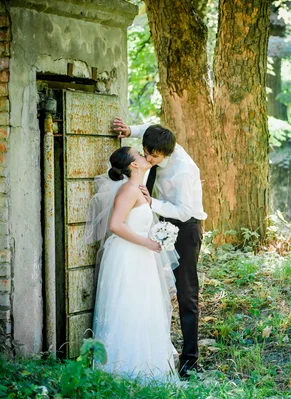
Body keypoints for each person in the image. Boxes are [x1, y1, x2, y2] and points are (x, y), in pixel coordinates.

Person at [114, 118, 206, 378]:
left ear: (166, 153)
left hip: (185, 226)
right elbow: (152, 129)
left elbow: (185, 210)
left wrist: (151, 203)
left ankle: (189, 360)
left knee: (186, 292)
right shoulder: (157, 143)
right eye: (145, 153)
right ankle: (150, 347)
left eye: (152, 157)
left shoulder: (184, 170)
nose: (147, 159)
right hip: (155, 217)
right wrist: (131, 130)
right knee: (151, 284)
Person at [85, 146, 178, 382]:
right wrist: (147, 242)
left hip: (141, 254)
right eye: (139, 153)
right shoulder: (128, 190)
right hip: (128, 255)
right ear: (133, 165)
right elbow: (115, 225)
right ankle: (124, 367)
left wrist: (156, 237)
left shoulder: (139, 188)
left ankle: (148, 365)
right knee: (130, 306)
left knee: (144, 306)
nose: (144, 155)